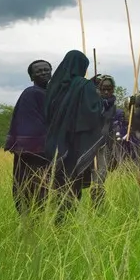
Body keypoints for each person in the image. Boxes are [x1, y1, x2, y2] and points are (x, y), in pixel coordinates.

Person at [43, 50, 105, 216]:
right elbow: (92, 112)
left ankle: (58, 218)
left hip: (54, 141)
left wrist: (87, 85)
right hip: (75, 142)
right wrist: (94, 92)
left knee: (58, 182)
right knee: (72, 181)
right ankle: (66, 221)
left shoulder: (54, 86)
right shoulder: (84, 86)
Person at [4, 60, 52, 213]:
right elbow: (29, 125)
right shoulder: (31, 93)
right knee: (31, 190)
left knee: (45, 192)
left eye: (46, 69)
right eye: (38, 71)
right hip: (33, 153)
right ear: (31, 77)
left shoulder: (52, 94)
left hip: (48, 152)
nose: (43, 72)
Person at [91, 76, 126, 207]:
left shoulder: (114, 107)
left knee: (103, 172)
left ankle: (98, 201)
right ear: (99, 89)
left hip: (108, 142)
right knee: (94, 172)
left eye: (109, 89)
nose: (106, 92)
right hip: (92, 142)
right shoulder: (93, 104)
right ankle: (96, 199)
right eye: (103, 89)